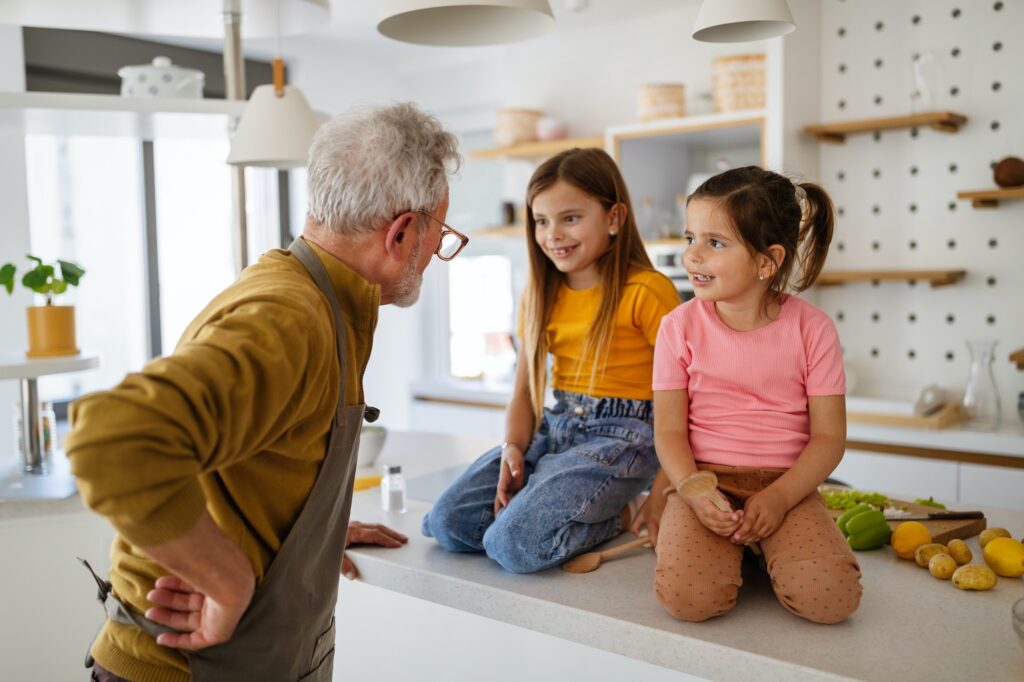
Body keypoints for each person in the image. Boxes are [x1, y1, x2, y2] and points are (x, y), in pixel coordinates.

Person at [66, 102, 465, 682]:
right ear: (402, 233)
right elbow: (113, 442)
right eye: (440, 237)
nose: (435, 256)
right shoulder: (292, 316)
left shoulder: (316, 299)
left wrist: (305, 531)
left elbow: (250, 464)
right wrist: (227, 578)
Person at [421, 147, 680, 573]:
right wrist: (513, 449)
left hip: (624, 440)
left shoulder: (647, 291)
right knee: (448, 525)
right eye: (541, 221)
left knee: (514, 546)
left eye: (570, 218)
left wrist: (662, 492)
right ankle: (563, 505)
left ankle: (615, 513)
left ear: (614, 217)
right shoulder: (539, 293)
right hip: (554, 427)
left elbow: (686, 402)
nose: (552, 234)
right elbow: (523, 389)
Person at [649, 165, 862, 624]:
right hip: (701, 482)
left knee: (832, 602)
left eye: (715, 243)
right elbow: (667, 430)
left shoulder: (814, 330)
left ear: (767, 261)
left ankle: (759, 546)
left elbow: (829, 439)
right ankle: (740, 548)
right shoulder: (676, 328)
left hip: (786, 487)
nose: (693, 256)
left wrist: (782, 498)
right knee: (690, 601)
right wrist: (691, 490)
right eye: (690, 239)